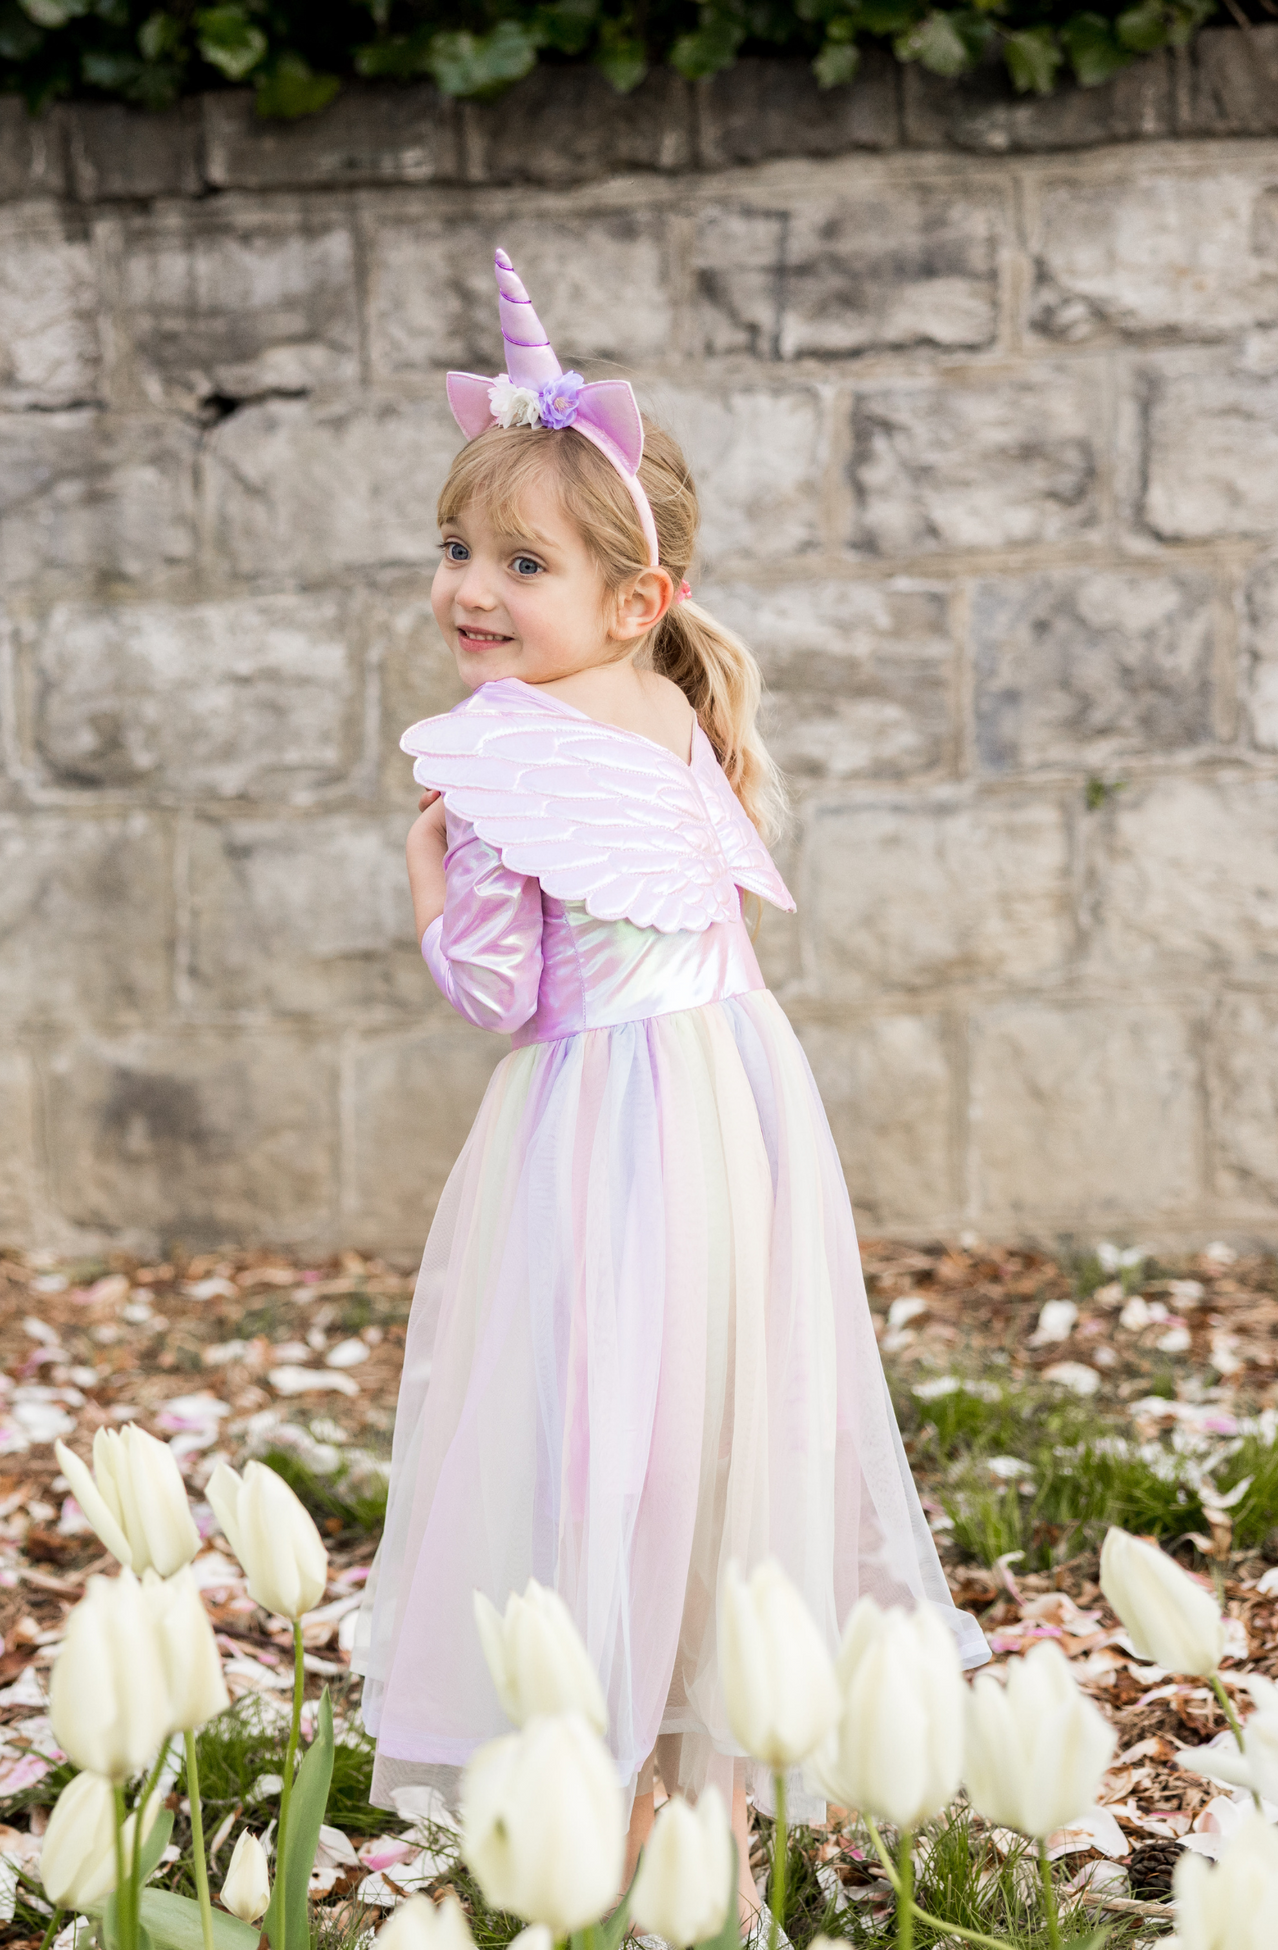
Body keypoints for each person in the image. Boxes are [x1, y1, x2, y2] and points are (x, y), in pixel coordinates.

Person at [354, 247, 988, 1935]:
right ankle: (701, 1813)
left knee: (593, 1436)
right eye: (458, 549)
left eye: (521, 563)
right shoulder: (674, 708)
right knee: (718, 1431)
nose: (471, 592)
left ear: (635, 592)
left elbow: (500, 991)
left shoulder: (488, 753)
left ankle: (613, 1800)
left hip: (597, 1140)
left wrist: (425, 881)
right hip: (739, 1116)